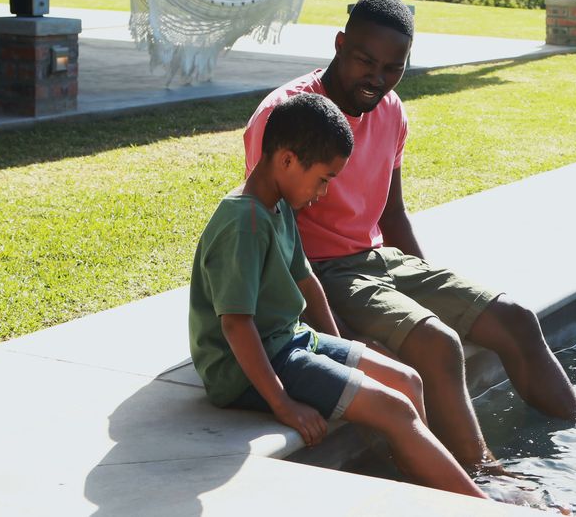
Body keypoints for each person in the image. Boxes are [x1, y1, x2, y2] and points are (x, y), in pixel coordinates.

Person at [242, 0, 576, 471]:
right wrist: (336, 335)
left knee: (516, 318)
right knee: (438, 344)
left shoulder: (391, 109)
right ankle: (483, 478)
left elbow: (392, 213)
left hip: (376, 260)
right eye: (365, 61)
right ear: (340, 45)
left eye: (392, 67)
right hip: (317, 270)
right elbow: (270, 229)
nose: (376, 78)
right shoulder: (288, 114)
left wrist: (431, 282)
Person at [190, 92, 487, 499]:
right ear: (288, 160)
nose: (324, 192)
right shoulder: (245, 223)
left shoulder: (278, 206)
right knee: (394, 408)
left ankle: (423, 482)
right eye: (324, 179)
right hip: (245, 370)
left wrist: (340, 344)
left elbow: (307, 281)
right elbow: (236, 324)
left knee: (408, 380)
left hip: (289, 341)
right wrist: (283, 404)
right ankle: (481, 504)